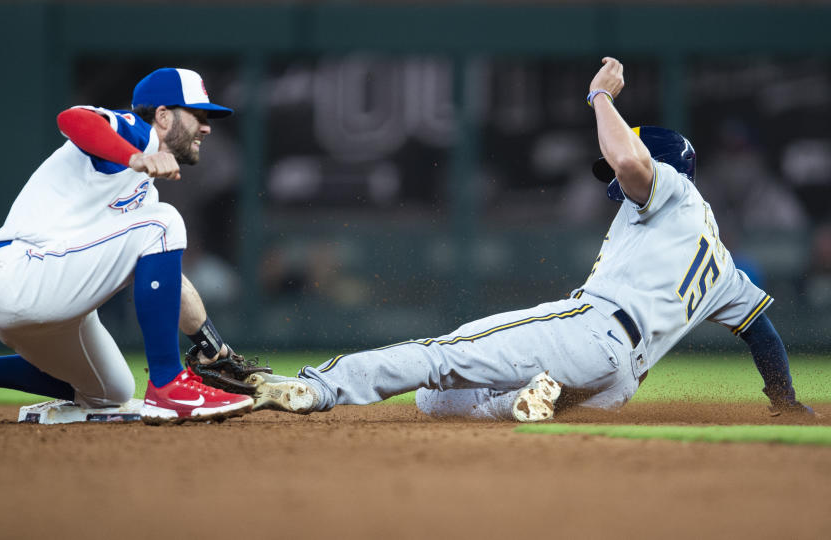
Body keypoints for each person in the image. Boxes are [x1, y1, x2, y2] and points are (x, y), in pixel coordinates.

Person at [245, 57, 815, 421]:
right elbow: (762, 333)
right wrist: (784, 403)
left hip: (591, 331)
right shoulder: (720, 264)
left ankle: (318, 388)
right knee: (435, 401)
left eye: (619, 165)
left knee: (441, 358)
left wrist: (601, 98)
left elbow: (631, 164)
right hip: (617, 382)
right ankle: (537, 396)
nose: (612, 176)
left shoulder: (675, 194)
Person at [0, 68, 253, 425]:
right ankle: (169, 386)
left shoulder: (143, 196)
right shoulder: (134, 132)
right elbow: (74, 119)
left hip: (41, 295)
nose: (206, 126)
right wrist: (134, 156)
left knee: (112, 391)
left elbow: (174, 283)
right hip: (21, 272)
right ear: (162, 115)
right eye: (198, 115)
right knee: (164, 220)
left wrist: (213, 348)